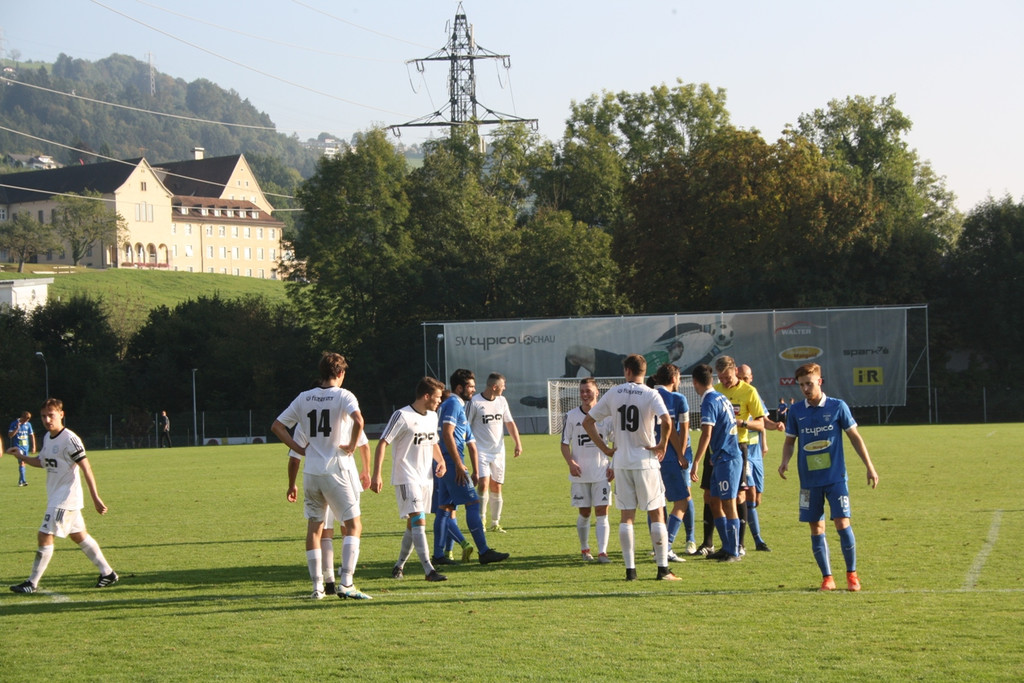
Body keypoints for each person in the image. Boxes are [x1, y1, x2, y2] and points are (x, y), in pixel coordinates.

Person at [271, 351, 370, 600]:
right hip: (336, 468)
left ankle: (317, 587)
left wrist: (297, 448)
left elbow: (277, 426)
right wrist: (351, 444)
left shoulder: (304, 397)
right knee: (353, 525)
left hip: (311, 471)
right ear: (340, 373)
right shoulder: (344, 395)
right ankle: (346, 583)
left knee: (314, 529)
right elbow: (359, 419)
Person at [779, 363, 879, 591]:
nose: (805, 388)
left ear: (820, 381)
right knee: (816, 528)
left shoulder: (837, 407)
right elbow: (789, 441)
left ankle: (852, 575)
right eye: (802, 384)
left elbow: (855, 437)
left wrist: (869, 467)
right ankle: (827, 578)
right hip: (809, 480)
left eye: (809, 383)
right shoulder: (796, 411)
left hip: (835, 478)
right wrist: (785, 460)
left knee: (842, 522)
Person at [583, 354, 678, 582]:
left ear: (626, 371)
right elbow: (667, 421)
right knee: (656, 513)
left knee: (627, 516)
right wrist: (662, 444)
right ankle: (663, 570)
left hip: (622, 462)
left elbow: (588, 422)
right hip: (645, 460)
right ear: (644, 373)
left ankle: (630, 571)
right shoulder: (651, 393)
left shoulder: (614, 392)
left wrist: (605, 449)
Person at [9, 398, 118, 593]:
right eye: (43, 416)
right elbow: (42, 462)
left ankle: (31, 583)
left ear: (61, 414)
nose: (47, 419)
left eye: (51, 415)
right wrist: (21, 457)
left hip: (66, 498)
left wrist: (95, 497)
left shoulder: (69, 439)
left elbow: (86, 468)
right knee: (78, 535)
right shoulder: (47, 438)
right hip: (57, 497)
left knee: (44, 534)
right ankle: (108, 573)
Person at [371, 376, 449, 582]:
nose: (440, 401)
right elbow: (382, 443)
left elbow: (433, 442)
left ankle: (399, 566)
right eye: (437, 397)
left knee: (412, 526)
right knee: (419, 521)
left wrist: (441, 461)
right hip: (406, 476)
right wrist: (376, 474)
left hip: (425, 477)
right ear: (426, 396)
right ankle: (429, 570)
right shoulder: (402, 416)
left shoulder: (432, 416)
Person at [286, 419, 372, 596]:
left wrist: (292, 484)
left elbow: (294, 458)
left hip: (313, 476)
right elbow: (364, 444)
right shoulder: (344, 414)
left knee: (320, 531)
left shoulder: (305, 419)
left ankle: (323, 585)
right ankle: (346, 581)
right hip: (343, 476)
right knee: (350, 527)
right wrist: (366, 470)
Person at [436, 368, 509, 565]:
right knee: (472, 503)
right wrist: (459, 465)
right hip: (451, 463)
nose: (473, 390)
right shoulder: (453, 403)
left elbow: (470, 440)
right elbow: (447, 433)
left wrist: (475, 468)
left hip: (445, 462)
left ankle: (438, 555)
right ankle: (484, 551)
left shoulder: (455, 404)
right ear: (459, 388)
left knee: (445, 507)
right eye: (470, 387)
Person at [690, 363, 744, 562]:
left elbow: (707, 433)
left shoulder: (710, 401)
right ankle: (726, 546)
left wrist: (696, 461)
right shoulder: (720, 397)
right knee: (713, 500)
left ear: (695, 382)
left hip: (727, 458)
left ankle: (734, 551)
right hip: (720, 459)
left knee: (728, 504)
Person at [713, 356, 766, 556]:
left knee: (739, 495)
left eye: (727, 377)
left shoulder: (749, 392)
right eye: (721, 378)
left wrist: (741, 423)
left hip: (739, 448)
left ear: (735, 371)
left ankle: (739, 545)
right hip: (718, 449)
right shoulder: (716, 392)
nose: (725, 382)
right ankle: (725, 544)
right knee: (715, 497)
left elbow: (761, 424)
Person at [560, 377, 613, 563]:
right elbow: (564, 444)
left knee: (602, 511)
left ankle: (602, 552)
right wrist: (571, 463)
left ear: (597, 392)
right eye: (582, 391)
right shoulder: (572, 415)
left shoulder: (607, 416)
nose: (584, 394)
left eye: (588, 391)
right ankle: (585, 549)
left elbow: (617, 442)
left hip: (601, 473)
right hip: (580, 474)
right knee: (584, 512)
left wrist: (612, 466)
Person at [466, 372, 523, 533]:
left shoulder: (502, 401)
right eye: (503, 386)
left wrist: (517, 443)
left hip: (498, 452)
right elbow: (466, 425)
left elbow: (509, 423)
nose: (504, 389)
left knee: (497, 486)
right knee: (483, 484)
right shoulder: (475, 402)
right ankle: (481, 520)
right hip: (480, 451)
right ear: (494, 386)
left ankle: (495, 522)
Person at [737, 364, 784, 552]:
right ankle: (756, 540)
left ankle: (751, 536)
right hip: (744, 450)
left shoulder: (753, 394)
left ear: (751, 377)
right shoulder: (735, 395)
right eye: (739, 377)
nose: (742, 381)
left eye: (745, 378)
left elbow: (763, 421)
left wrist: (774, 427)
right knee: (749, 495)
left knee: (756, 500)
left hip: (756, 453)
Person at [649, 363, 694, 562]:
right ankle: (667, 547)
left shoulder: (647, 396)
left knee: (656, 504)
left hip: (648, 459)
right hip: (668, 458)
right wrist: (681, 456)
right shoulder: (678, 399)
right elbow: (681, 431)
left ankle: (658, 545)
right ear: (675, 379)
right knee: (682, 500)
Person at [8, 411, 36, 487]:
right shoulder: (14, 423)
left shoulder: (28, 425)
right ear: (22, 417)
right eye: (25, 419)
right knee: (22, 462)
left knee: (23, 464)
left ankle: (21, 481)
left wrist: (34, 446)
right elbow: (10, 435)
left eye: (28, 420)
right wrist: (17, 428)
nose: (26, 421)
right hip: (17, 447)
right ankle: (23, 481)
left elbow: (31, 435)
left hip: (25, 447)